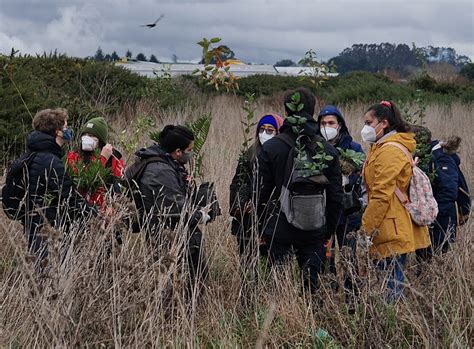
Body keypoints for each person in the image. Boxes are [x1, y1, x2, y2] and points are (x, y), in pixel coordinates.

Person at [257, 88, 343, 291]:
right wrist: (327, 231)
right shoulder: (328, 151)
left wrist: (262, 228)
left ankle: (279, 319)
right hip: (314, 228)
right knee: (312, 288)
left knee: (277, 288)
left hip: (278, 228)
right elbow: (335, 197)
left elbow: (261, 192)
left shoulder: (271, 148)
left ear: (286, 112)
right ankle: (310, 319)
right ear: (313, 112)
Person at [361, 101, 431, 301]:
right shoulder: (380, 147)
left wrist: (366, 229)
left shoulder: (390, 151)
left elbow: (382, 195)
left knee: (390, 290)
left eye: (368, 122)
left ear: (383, 123)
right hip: (386, 224)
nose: (365, 127)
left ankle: (391, 327)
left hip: (390, 226)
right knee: (387, 286)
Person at [130, 125, 209, 287]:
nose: (191, 153)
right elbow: (175, 208)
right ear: (178, 151)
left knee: (193, 281)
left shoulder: (166, 164)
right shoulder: (160, 171)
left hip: (174, 235)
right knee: (176, 286)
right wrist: (200, 214)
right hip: (168, 238)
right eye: (189, 150)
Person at [22, 109, 96, 264]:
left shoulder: (32, 153)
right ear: (58, 132)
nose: (69, 131)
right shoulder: (50, 161)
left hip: (32, 224)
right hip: (45, 228)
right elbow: (69, 196)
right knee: (47, 274)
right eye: (66, 127)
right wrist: (95, 214)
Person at [317, 105, 364, 294]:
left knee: (348, 256)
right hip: (323, 212)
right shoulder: (316, 147)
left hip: (347, 212)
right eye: (323, 123)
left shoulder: (353, 148)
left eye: (331, 123)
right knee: (325, 256)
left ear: (339, 125)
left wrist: (347, 179)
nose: (326, 126)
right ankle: (329, 290)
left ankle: (352, 294)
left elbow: (362, 179)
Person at [229, 114, 283, 266]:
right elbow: (237, 183)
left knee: (271, 261)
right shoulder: (249, 155)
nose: (264, 133)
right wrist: (241, 204)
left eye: (270, 130)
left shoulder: (283, 155)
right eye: (262, 129)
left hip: (272, 217)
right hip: (248, 219)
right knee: (247, 259)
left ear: (278, 132)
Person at [411, 126, 469, 258]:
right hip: (430, 218)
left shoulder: (440, 158)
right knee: (424, 258)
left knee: (436, 257)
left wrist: (433, 215)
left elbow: (449, 191)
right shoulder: (425, 156)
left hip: (441, 219)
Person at [66, 117, 124, 208]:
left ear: (100, 140)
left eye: (92, 135)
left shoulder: (113, 159)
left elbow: (118, 187)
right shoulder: (73, 157)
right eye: (85, 134)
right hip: (81, 208)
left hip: (105, 211)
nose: (87, 138)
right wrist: (102, 159)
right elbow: (84, 183)